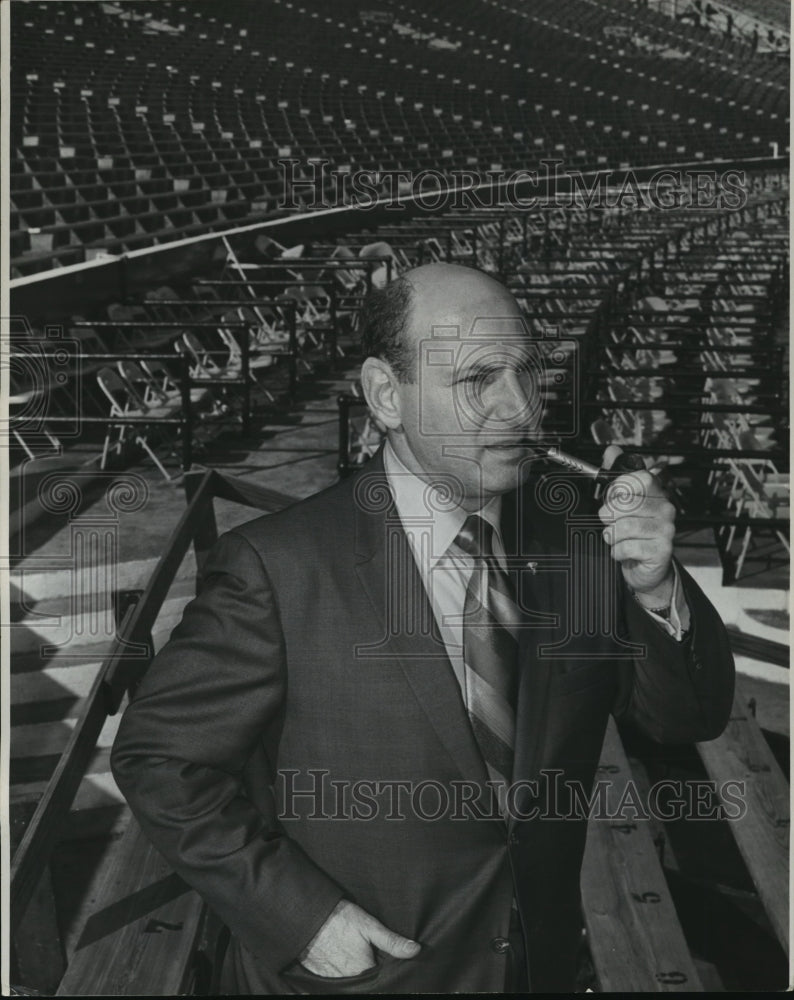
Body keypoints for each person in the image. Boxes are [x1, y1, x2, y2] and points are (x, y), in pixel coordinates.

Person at [111, 263, 735, 993]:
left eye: (526, 374)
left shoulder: (578, 542)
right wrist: (303, 919)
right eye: (478, 380)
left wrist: (655, 585)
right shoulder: (276, 568)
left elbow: (686, 715)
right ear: (386, 395)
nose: (519, 409)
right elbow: (160, 758)